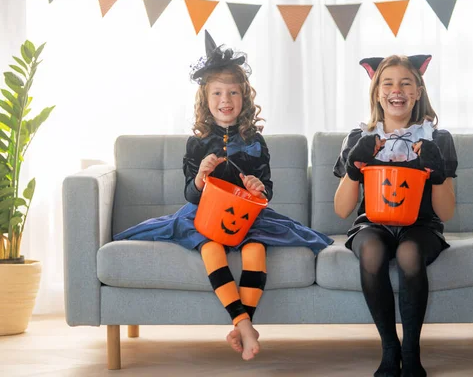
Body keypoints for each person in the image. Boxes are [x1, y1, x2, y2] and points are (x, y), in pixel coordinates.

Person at [114, 30, 332, 361]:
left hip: (247, 216)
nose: (225, 99)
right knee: (211, 247)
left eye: (232, 92)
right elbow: (189, 193)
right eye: (217, 93)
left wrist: (258, 189)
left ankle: (243, 324)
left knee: (256, 250)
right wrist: (201, 178)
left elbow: (266, 189)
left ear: (244, 98)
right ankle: (244, 324)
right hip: (204, 214)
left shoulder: (256, 142)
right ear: (206, 98)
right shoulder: (196, 143)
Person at [333, 54, 458, 377]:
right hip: (372, 225)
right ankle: (390, 348)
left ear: (417, 92)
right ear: (377, 93)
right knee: (372, 252)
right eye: (387, 83)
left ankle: (411, 351)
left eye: (406, 83)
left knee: (410, 253)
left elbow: (446, 212)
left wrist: (438, 174)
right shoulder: (358, 138)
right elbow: (342, 209)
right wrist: (353, 169)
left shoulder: (438, 139)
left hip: (421, 224)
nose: (396, 90)